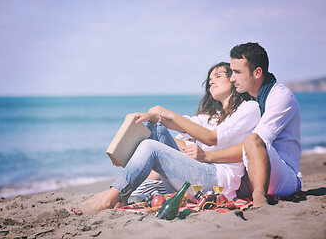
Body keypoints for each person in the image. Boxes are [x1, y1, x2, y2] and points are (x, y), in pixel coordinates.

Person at [79, 62, 261, 215]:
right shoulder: (211, 116)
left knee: (151, 147)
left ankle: (114, 195)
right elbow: (180, 124)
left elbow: (211, 138)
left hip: (216, 183)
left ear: (234, 79)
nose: (211, 80)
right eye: (210, 78)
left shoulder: (248, 108)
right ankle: (124, 186)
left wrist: (167, 114)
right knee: (155, 129)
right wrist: (152, 116)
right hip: (199, 173)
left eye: (218, 76)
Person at [208, 42, 301, 207]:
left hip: (283, 176)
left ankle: (259, 198)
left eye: (237, 72)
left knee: (253, 139)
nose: (232, 78)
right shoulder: (249, 98)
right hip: (251, 168)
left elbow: (257, 142)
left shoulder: (280, 97)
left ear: (257, 72)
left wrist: (206, 155)